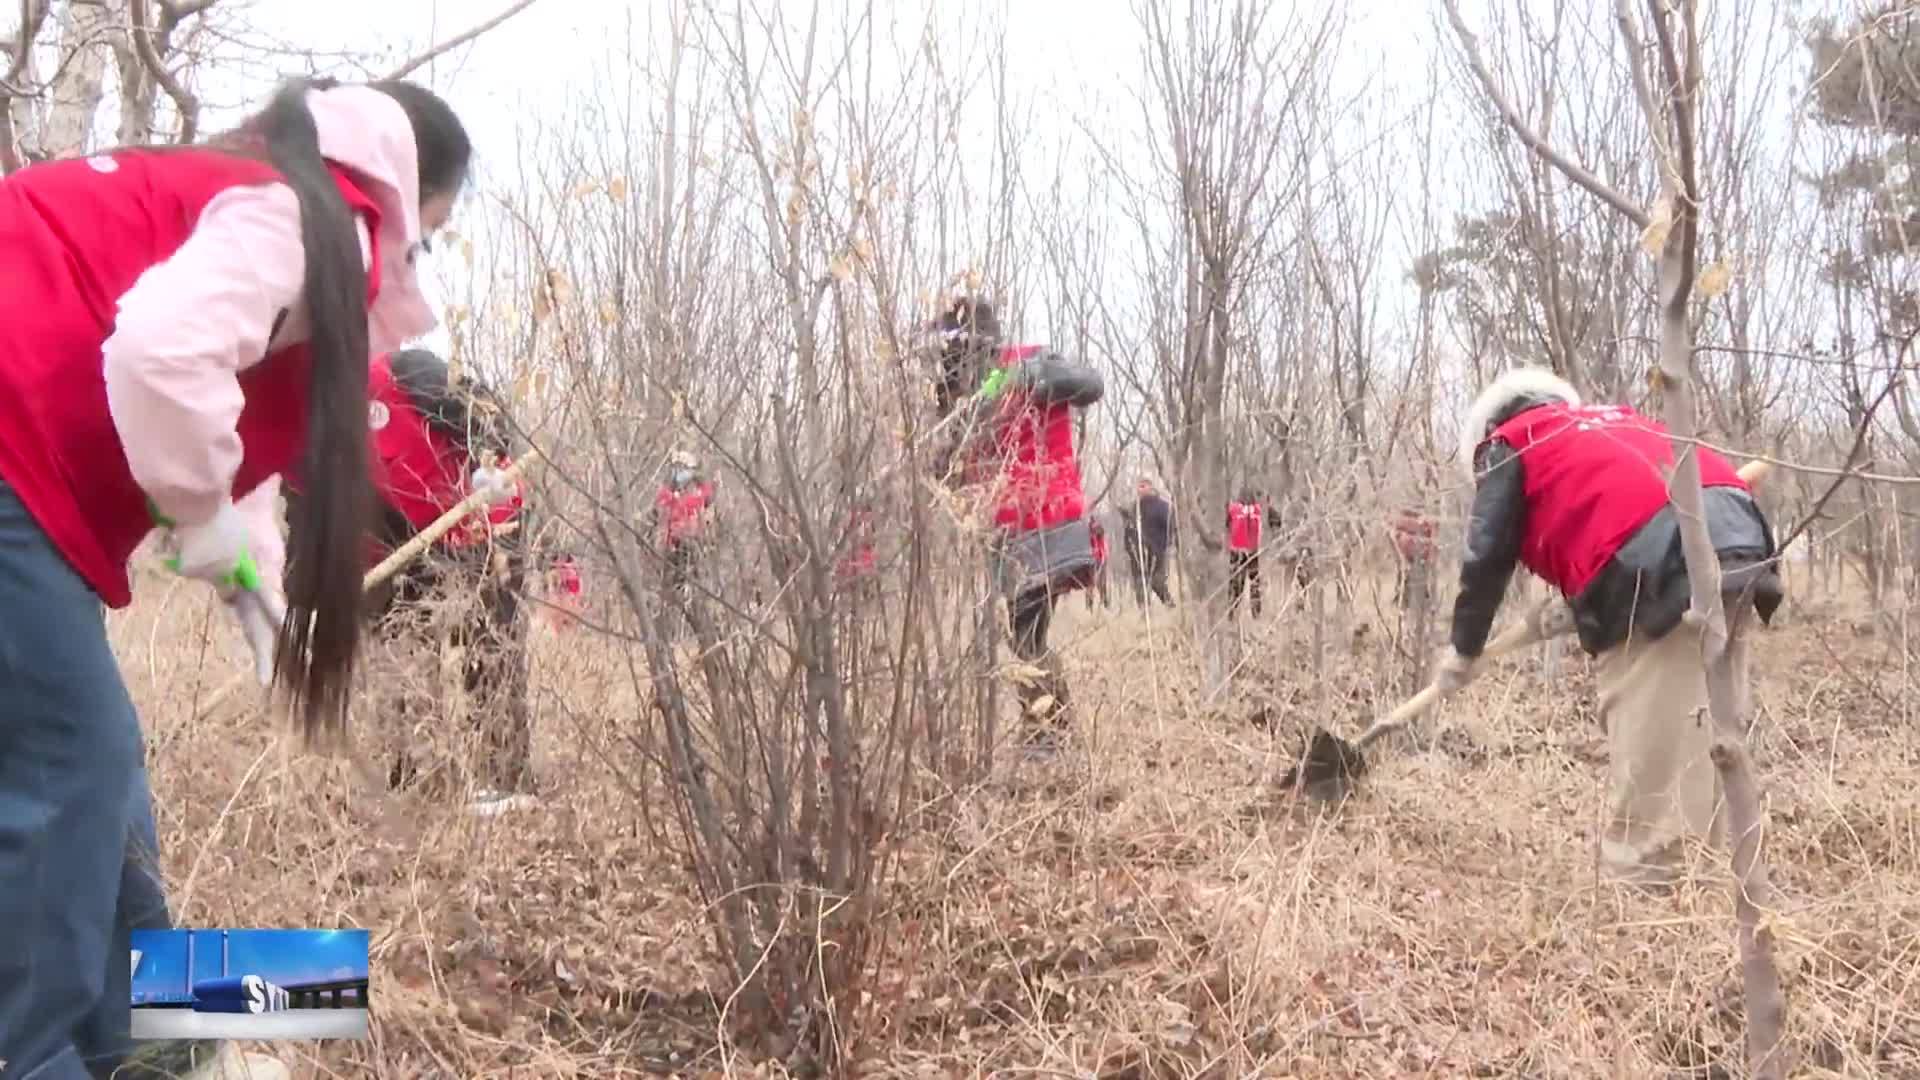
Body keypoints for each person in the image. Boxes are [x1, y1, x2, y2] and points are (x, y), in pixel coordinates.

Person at [0, 78, 469, 1080]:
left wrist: (254, 590)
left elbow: (230, 447)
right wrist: (203, 514)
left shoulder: (271, 214)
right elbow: (161, 356)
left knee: (102, 773)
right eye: (434, 228)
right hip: (12, 459)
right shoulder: (306, 214)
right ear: (410, 192)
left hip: (32, 488)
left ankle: (161, 1044)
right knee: (68, 768)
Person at [1441, 367, 1783, 887]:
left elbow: (1485, 554)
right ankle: (1714, 882)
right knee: (1710, 727)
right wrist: (1576, 607)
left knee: (1652, 740)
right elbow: (1620, 512)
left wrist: (1462, 650)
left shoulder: (1510, 443)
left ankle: (1647, 897)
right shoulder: (1608, 425)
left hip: (1666, 569)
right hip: (1740, 546)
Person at [285, 348, 532, 815]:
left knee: (489, 648)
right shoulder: (302, 440)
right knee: (398, 646)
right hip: (405, 538)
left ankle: (506, 781)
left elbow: (490, 422)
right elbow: (302, 525)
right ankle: (415, 773)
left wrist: (489, 471)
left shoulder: (408, 377)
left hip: (482, 523)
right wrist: (299, 604)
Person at [930, 295, 1103, 745]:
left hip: (1050, 524)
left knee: (1025, 638)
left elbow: (1091, 384)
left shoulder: (1026, 363)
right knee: (1024, 638)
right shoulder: (960, 400)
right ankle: (1050, 734)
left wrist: (1034, 376)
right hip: (1005, 535)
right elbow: (944, 470)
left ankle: (1049, 739)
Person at [653, 451, 716, 638]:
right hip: (670, 547)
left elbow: (703, 501)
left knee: (696, 586)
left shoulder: (697, 492)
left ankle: (698, 629)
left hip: (692, 545)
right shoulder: (666, 492)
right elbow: (663, 508)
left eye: (683, 467)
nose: (678, 471)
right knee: (669, 590)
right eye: (676, 467)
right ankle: (668, 630)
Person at [1128, 476, 1176, 607]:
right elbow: (1130, 529)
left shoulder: (1162, 506)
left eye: (1143, 486)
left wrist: (1166, 545)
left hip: (1157, 551)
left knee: (1157, 582)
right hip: (1139, 553)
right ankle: (1144, 613)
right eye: (1138, 486)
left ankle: (1170, 605)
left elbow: (1170, 527)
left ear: (1150, 487)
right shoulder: (1135, 508)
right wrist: (1130, 548)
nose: (1140, 490)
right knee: (1139, 584)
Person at [1227, 488, 1265, 618]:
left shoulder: (1233, 509)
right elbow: (1265, 527)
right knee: (1254, 581)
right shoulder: (1257, 510)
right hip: (1252, 550)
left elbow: (1227, 526)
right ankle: (1256, 612)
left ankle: (1232, 611)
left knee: (1236, 582)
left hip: (1237, 550)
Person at [1389, 506, 1437, 607]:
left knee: (1416, 578)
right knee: (1406, 576)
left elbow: (1432, 537)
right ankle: (1403, 600)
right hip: (1410, 553)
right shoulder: (1402, 520)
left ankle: (1418, 601)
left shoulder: (1425, 521)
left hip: (1419, 554)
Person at [1084, 514, 1113, 611]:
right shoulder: (1085, 529)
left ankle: (1105, 606)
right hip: (1091, 559)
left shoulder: (1097, 528)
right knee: (1090, 585)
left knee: (1101, 585)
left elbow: (1100, 533)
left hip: (1100, 558)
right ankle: (1089, 608)